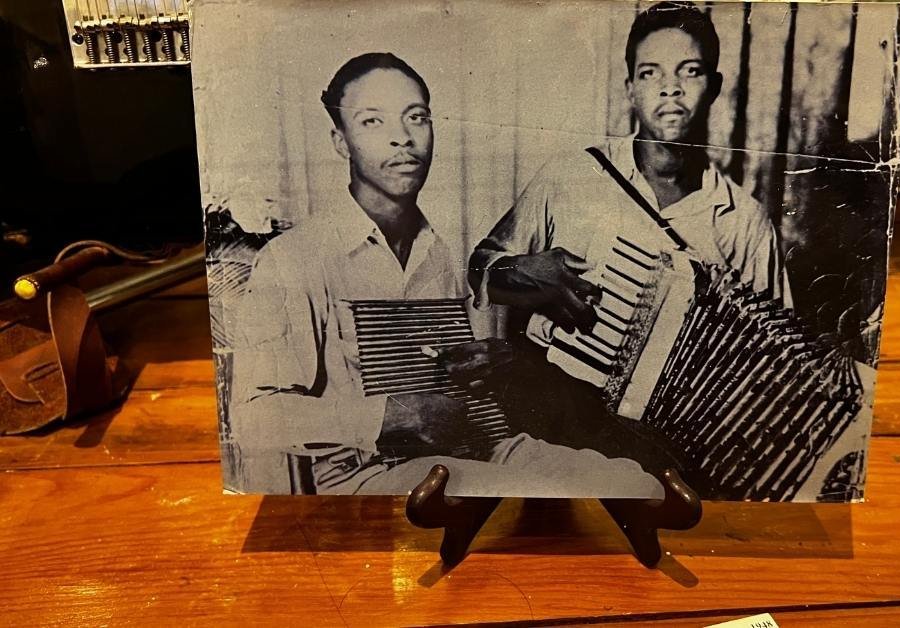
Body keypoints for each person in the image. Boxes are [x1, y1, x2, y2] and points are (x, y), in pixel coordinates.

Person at [228, 52, 662, 497]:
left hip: (480, 450)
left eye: (416, 118)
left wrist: (490, 360)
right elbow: (253, 418)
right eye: (373, 122)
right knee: (523, 501)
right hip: (372, 476)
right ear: (340, 142)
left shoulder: (440, 251)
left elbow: (455, 379)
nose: (402, 138)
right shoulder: (295, 258)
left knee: (636, 486)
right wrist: (394, 414)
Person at [470, 1, 790, 345]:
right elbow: (479, 267)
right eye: (650, 73)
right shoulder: (570, 174)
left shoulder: (745, 222)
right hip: (556, 391)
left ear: (714, 86)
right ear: (631, 90)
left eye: (690, 70)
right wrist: (523, 271)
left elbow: (773, 349)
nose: (671, 88)